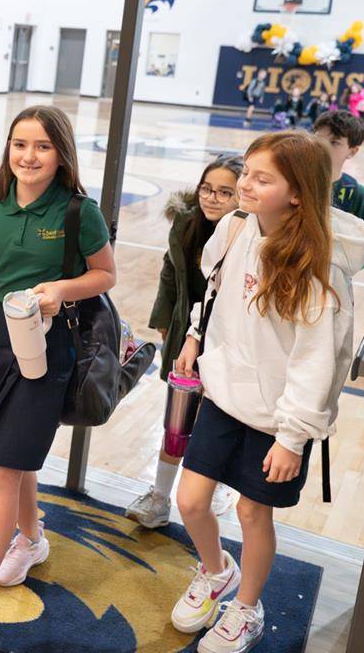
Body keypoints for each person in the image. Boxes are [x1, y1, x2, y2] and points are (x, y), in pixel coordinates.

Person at [169, 131, 364, 653]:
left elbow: (317, 361)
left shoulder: (317, 268)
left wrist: (292, 438)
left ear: (298, 192)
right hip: (222, 396)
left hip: (276, 420)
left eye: (263, 179)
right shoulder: (235, 229)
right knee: (190, 501)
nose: (245, 186)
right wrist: (195, 336)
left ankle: (247, 608)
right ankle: (216, 572)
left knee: (252, 514)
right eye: (247, 174)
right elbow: (212, 291)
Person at [0, 106, 116, 652]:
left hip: (49, 346)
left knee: (3, 472)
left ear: (61, 154)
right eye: (19, 144)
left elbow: (105, 274)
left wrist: (60, 288)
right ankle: (32, 539)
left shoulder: (81, 212)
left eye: (42, 147)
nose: (28, 156)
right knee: (15, 453)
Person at [127, 154, 245, 530]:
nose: (212, 198)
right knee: (177, 419)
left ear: (241, 196)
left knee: (222, 417)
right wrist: (164, 320)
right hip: (187, 335)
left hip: (230, 341)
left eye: (225, 192)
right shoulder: (185, 221)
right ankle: (159, 497)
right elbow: (169, 270)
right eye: (207, 189)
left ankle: (222, 484)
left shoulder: (249, 235)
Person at [314, 110, 364, 266]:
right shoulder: (292, 182)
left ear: (352, 151)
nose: (323, 146)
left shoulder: (358, 195)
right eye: (318, 139)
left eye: (334, 142)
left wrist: (337, 264)